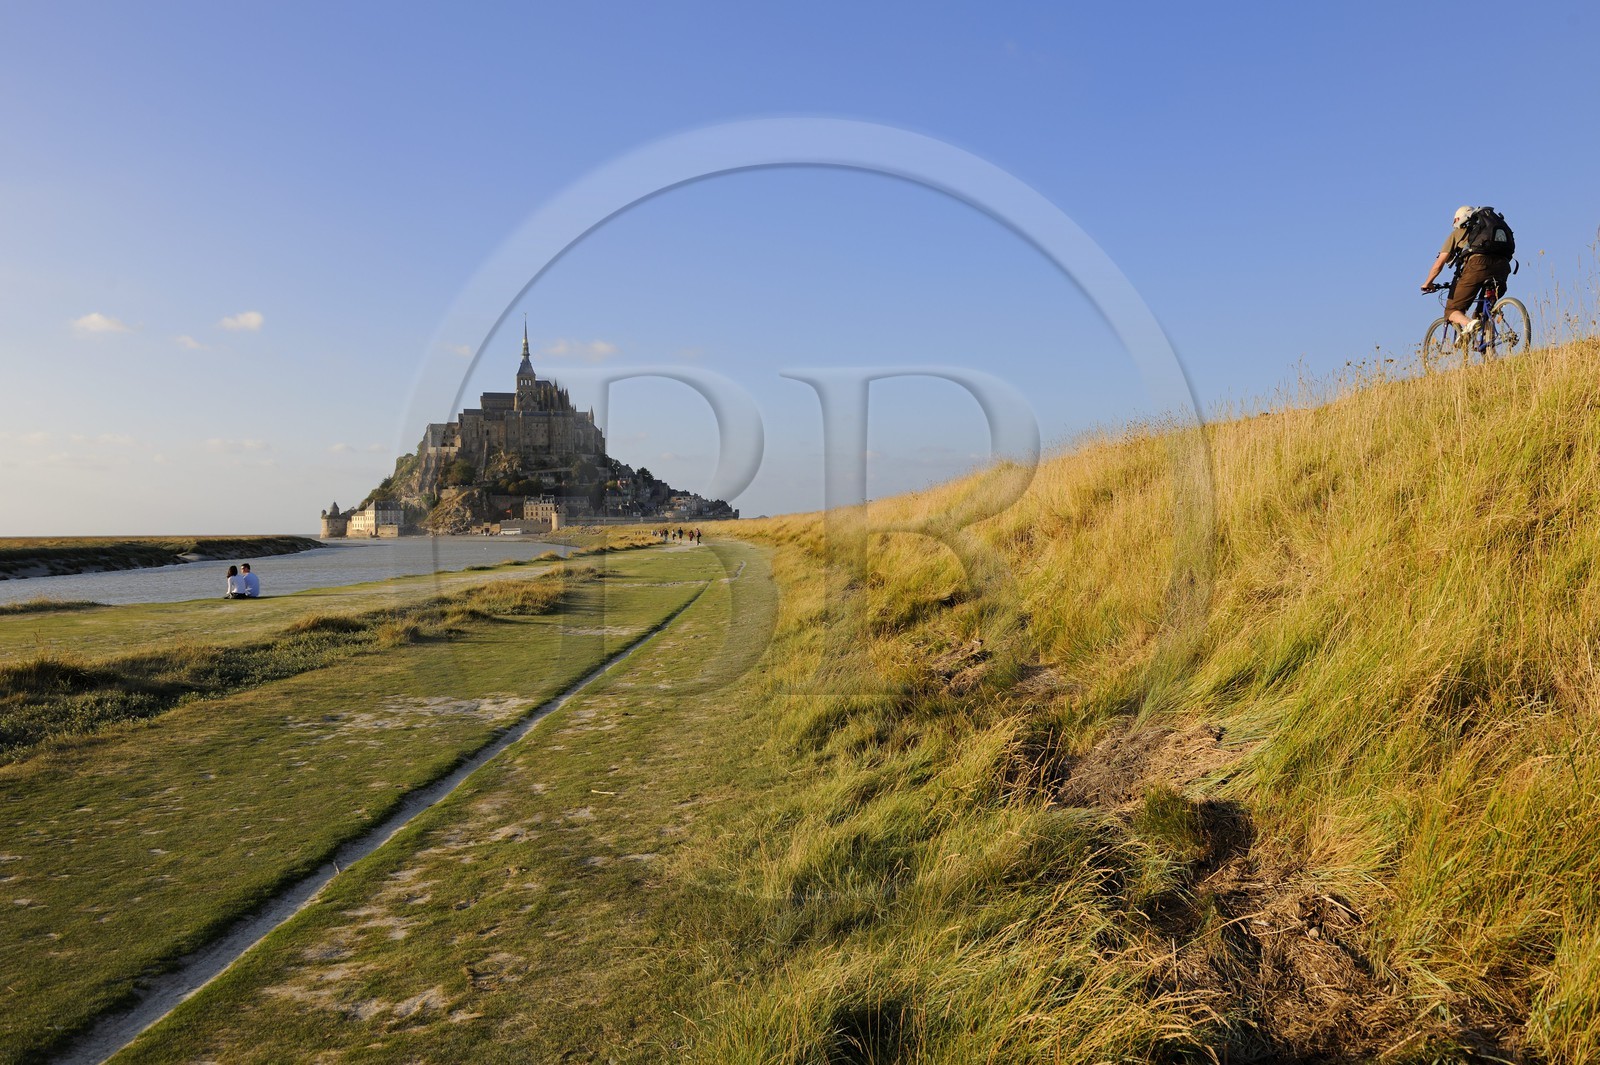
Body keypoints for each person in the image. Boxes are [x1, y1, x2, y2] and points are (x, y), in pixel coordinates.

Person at [1421, 205, 1512, 339]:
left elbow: (1439, 263)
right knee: (1483, 313)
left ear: (1459, 219)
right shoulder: (1486, 230)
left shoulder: (1458, 233)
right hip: (1503, 267)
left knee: (1452, 310)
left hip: (1478, 266)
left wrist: (1428, 283)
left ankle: (1469, 324)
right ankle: (1488, 347)